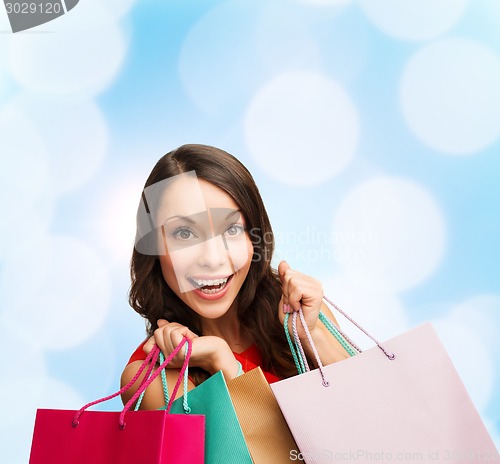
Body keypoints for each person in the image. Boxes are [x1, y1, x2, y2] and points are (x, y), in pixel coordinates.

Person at [120, 144, 350, 409]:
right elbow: (278, 451)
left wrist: (314, 336)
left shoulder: (303, 315)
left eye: (231, 229)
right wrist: (224, 363)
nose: (213, 258)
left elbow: (377, 410)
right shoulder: (153, 378)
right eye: (184, 234)